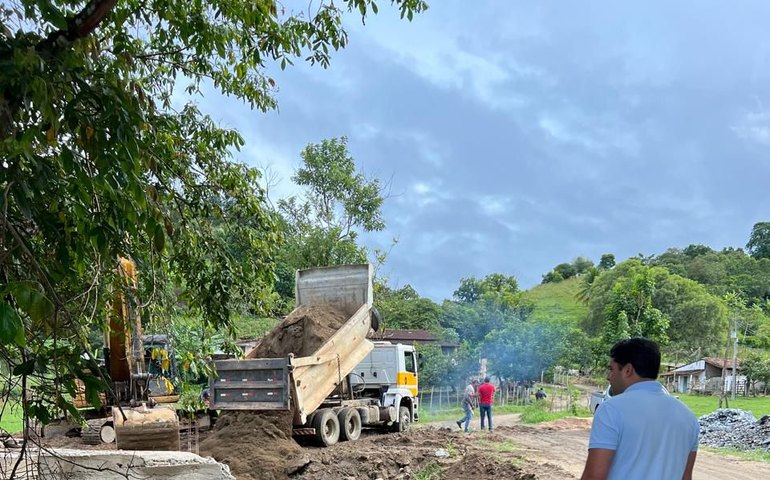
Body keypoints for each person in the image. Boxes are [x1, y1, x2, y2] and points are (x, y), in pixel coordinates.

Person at [580, 338, 699, 480]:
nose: (608, 376)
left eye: (611, 369)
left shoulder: (611, 410)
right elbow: (686, 477)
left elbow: (594, 476)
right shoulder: (688, 417)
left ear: (628, 370)